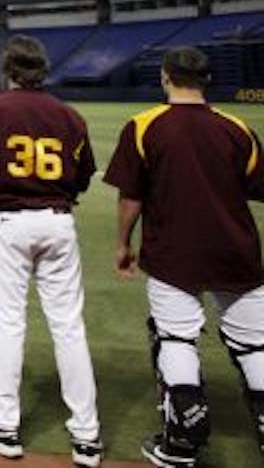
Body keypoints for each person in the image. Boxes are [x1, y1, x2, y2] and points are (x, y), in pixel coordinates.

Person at [105, 46, 264, 468]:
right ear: (207, 80)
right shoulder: (238, 128)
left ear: (165, 77)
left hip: (173, 252)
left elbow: (131, 196)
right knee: (254, 345)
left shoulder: (144, 126)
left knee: (176, 339)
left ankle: (182, 441)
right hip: (237, 251)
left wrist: (123, 243)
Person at [0, 36, 101, 467]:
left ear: (8, 70)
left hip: (10, 222)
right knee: (69, 328)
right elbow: (82, 178)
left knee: (8, 325)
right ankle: (87, 435)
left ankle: (4, 426)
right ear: (43, 70)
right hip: (58, 220)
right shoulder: (70, 117)